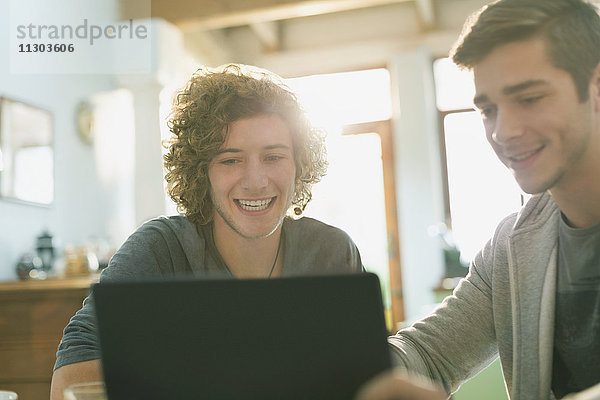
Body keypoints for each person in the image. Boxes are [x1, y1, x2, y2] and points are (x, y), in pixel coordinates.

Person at [50, 64, 364, 399]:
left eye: (273, 157)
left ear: (298, 165)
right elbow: (70, 382)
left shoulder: (332, 253)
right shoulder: (161, 251)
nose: (256, 181)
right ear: (202, 172)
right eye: (230, 160)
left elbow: (367, 380)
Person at [358, 0, 600, 399]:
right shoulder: (511, 245)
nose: (504, 132)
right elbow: (429, 354)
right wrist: (337, 361)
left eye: (529, 98)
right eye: (488, 109)